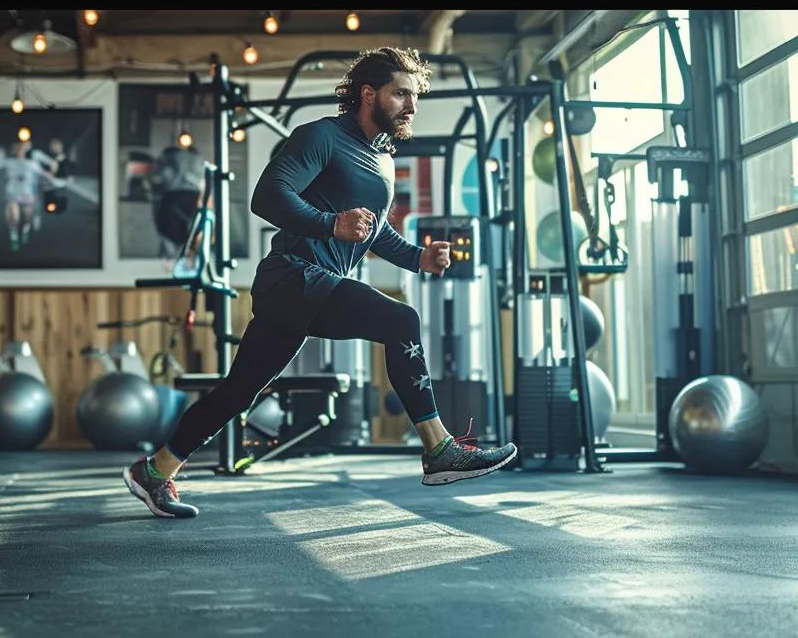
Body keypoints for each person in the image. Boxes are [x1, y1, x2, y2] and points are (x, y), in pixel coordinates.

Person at [124, 47, 519, 519]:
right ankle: (439, 449)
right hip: (292, 276)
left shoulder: (382, 158)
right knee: (401, 321)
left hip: (313, 285)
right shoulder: (322, 137)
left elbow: (373, 229)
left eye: (415, 96)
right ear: (368, 94)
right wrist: (330, 224)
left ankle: (154, 470)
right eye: (400, 94)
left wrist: (419, 257)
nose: (411, 106)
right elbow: (267, 196)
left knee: (238, 391)